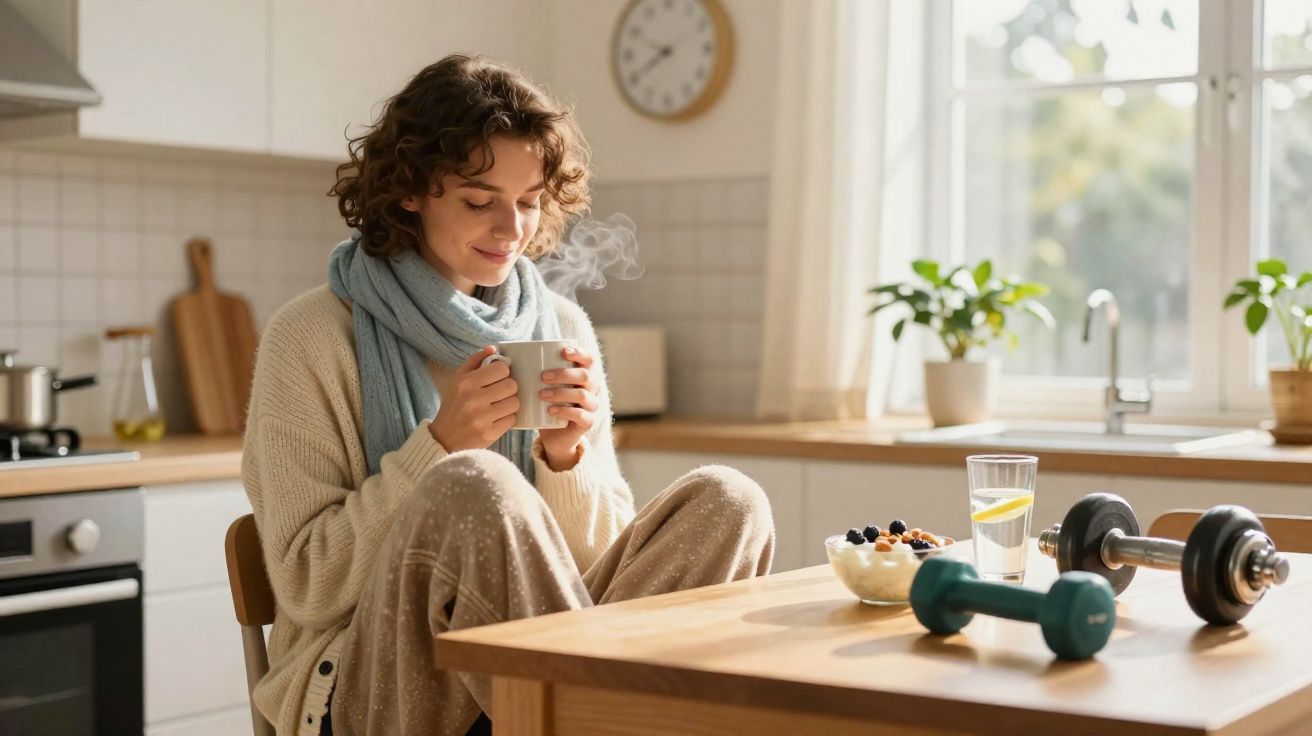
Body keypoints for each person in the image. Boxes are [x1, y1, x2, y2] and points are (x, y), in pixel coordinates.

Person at [241, 53, 776, 736]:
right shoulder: (312, 337)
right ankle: (596, 720)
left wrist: (566, 459)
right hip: (369, 684)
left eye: (528, 203)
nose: (512, 230)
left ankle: (577, 717)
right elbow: (308, 585)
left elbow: (591, 585)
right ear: (410, 190)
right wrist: (437, 449)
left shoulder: (562, 328)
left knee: (730, 503)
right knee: (474, 484)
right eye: (479, 201)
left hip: (535, 684)